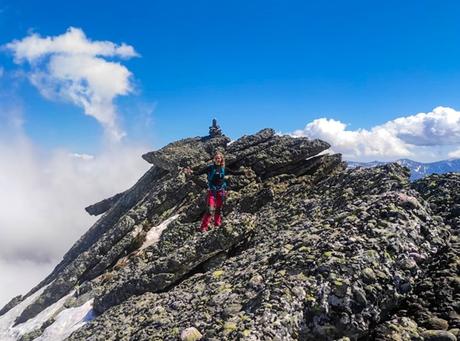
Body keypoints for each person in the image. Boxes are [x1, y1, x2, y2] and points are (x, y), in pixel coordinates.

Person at [200, 151, 227, 232]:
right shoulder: (210, 168)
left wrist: (243, 172)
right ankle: (203, 227)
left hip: (221, 191)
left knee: (218, 209)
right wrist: (191, 172)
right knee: (210, 210)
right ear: (214, 159)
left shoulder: (223, 168)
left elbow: (234, 172)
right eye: (216, 158)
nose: (217, 159)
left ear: (221, 159)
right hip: (212, 191)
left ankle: (217, 223)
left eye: (219, 158)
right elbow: (199, 172)